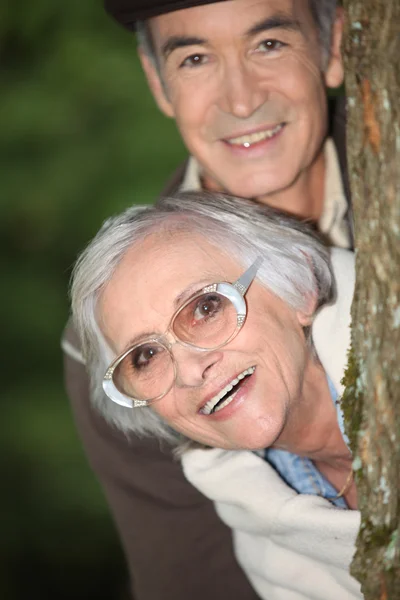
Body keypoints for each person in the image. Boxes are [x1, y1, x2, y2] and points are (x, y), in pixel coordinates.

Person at [62, 1, 354, 598]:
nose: (241, 100)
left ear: (332, 48)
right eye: (195, 58)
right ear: (158, 83)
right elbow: (195, 580)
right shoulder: (105, 343)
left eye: (268, 44)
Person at [70, 192, 361, 600]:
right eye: (146, 356)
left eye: (205, 308)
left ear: (299, 285)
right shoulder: (269, 557)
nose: (190, 371)